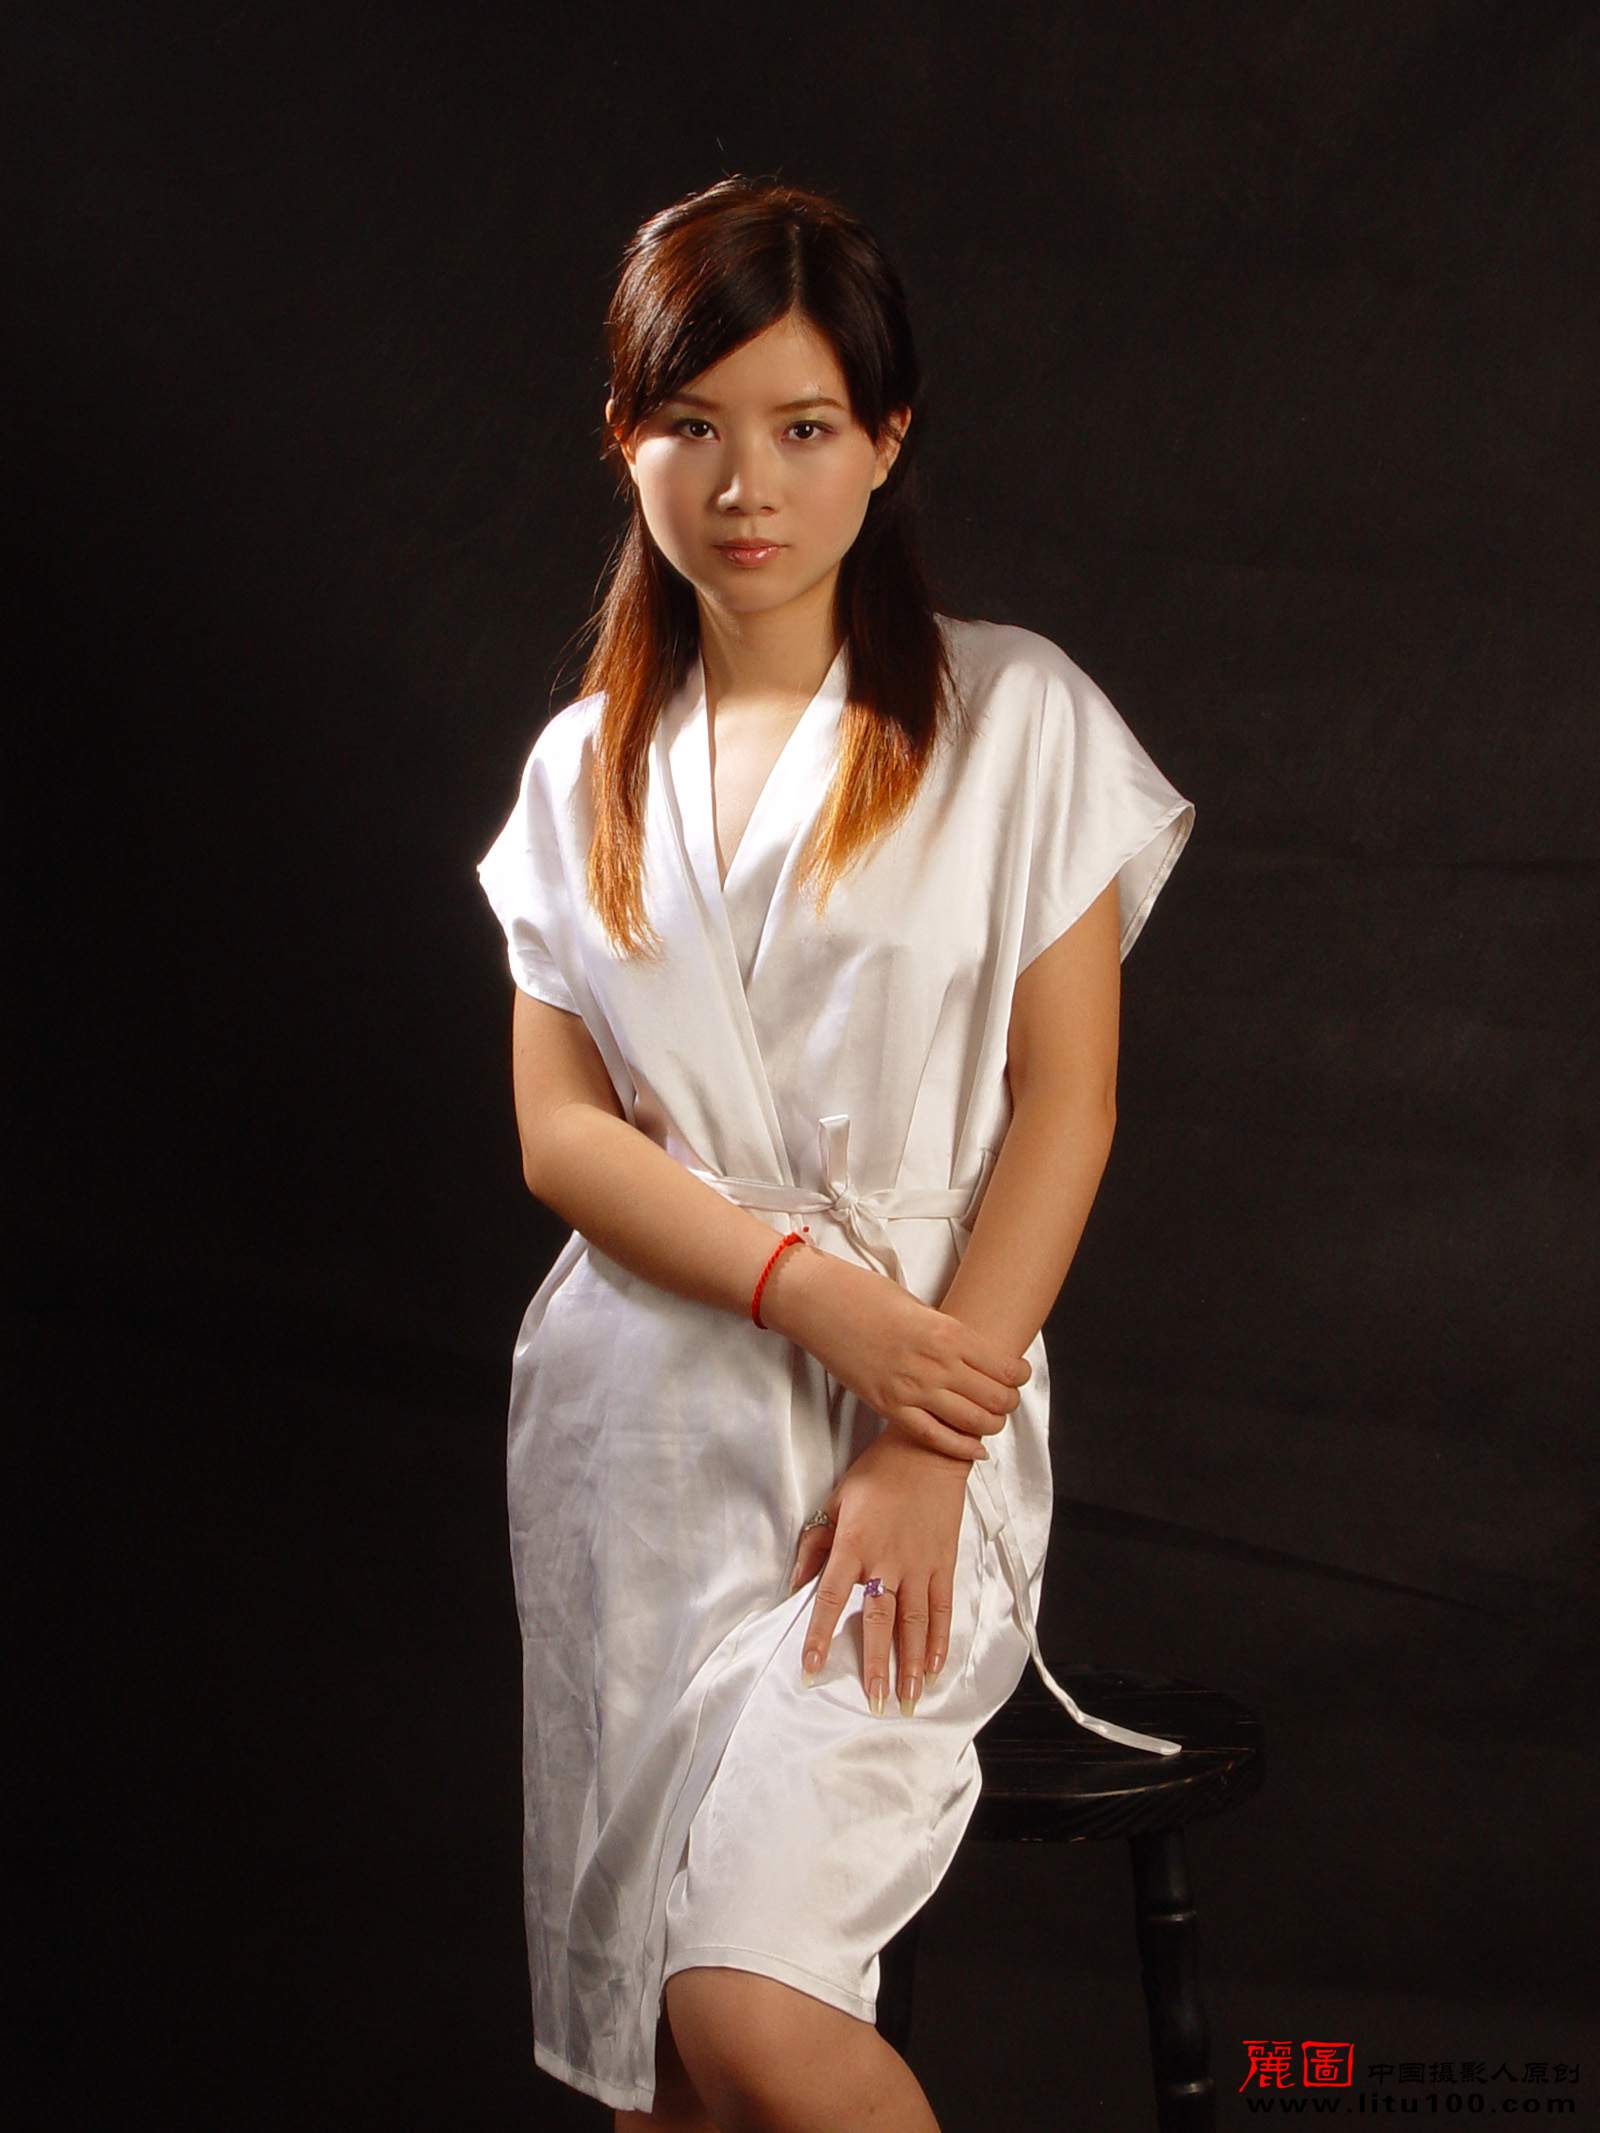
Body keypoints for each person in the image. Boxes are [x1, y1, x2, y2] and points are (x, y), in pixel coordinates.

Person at [475, 175, 1197, 2133]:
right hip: (638, 1439)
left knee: (747, 1994)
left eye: (802, 425)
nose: (745, 484)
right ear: (622, 440)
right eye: (689, 423)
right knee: (649, 2062)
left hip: (913, 1422)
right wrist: (810, 1296)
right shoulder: (581, 770)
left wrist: (922, 1435)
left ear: (884, 438)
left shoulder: (1010, 715)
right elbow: (560, 1131)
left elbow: (1066, 1099)